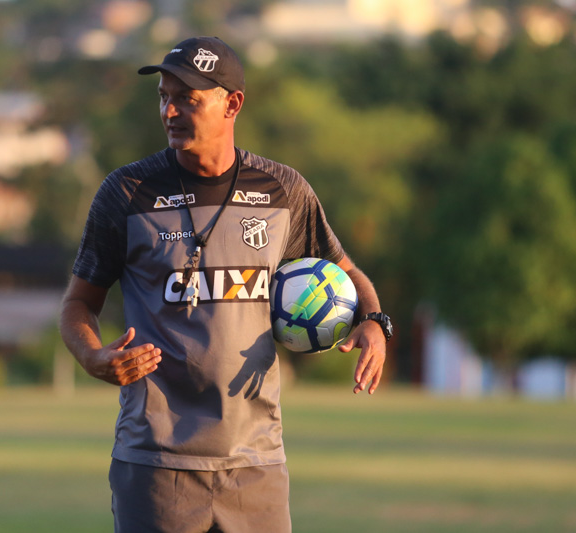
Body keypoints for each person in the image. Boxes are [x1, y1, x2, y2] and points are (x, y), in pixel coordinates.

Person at [59, 36, 392, 533]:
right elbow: (77, 305)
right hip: (156, 464)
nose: (170, 111)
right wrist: (93, 357)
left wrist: (372, 320)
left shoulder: (283, 191)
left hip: (255, 466)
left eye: (187, 99)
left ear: (232, 103)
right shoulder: (127, 193)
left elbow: (344, 268)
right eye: (163, 97)